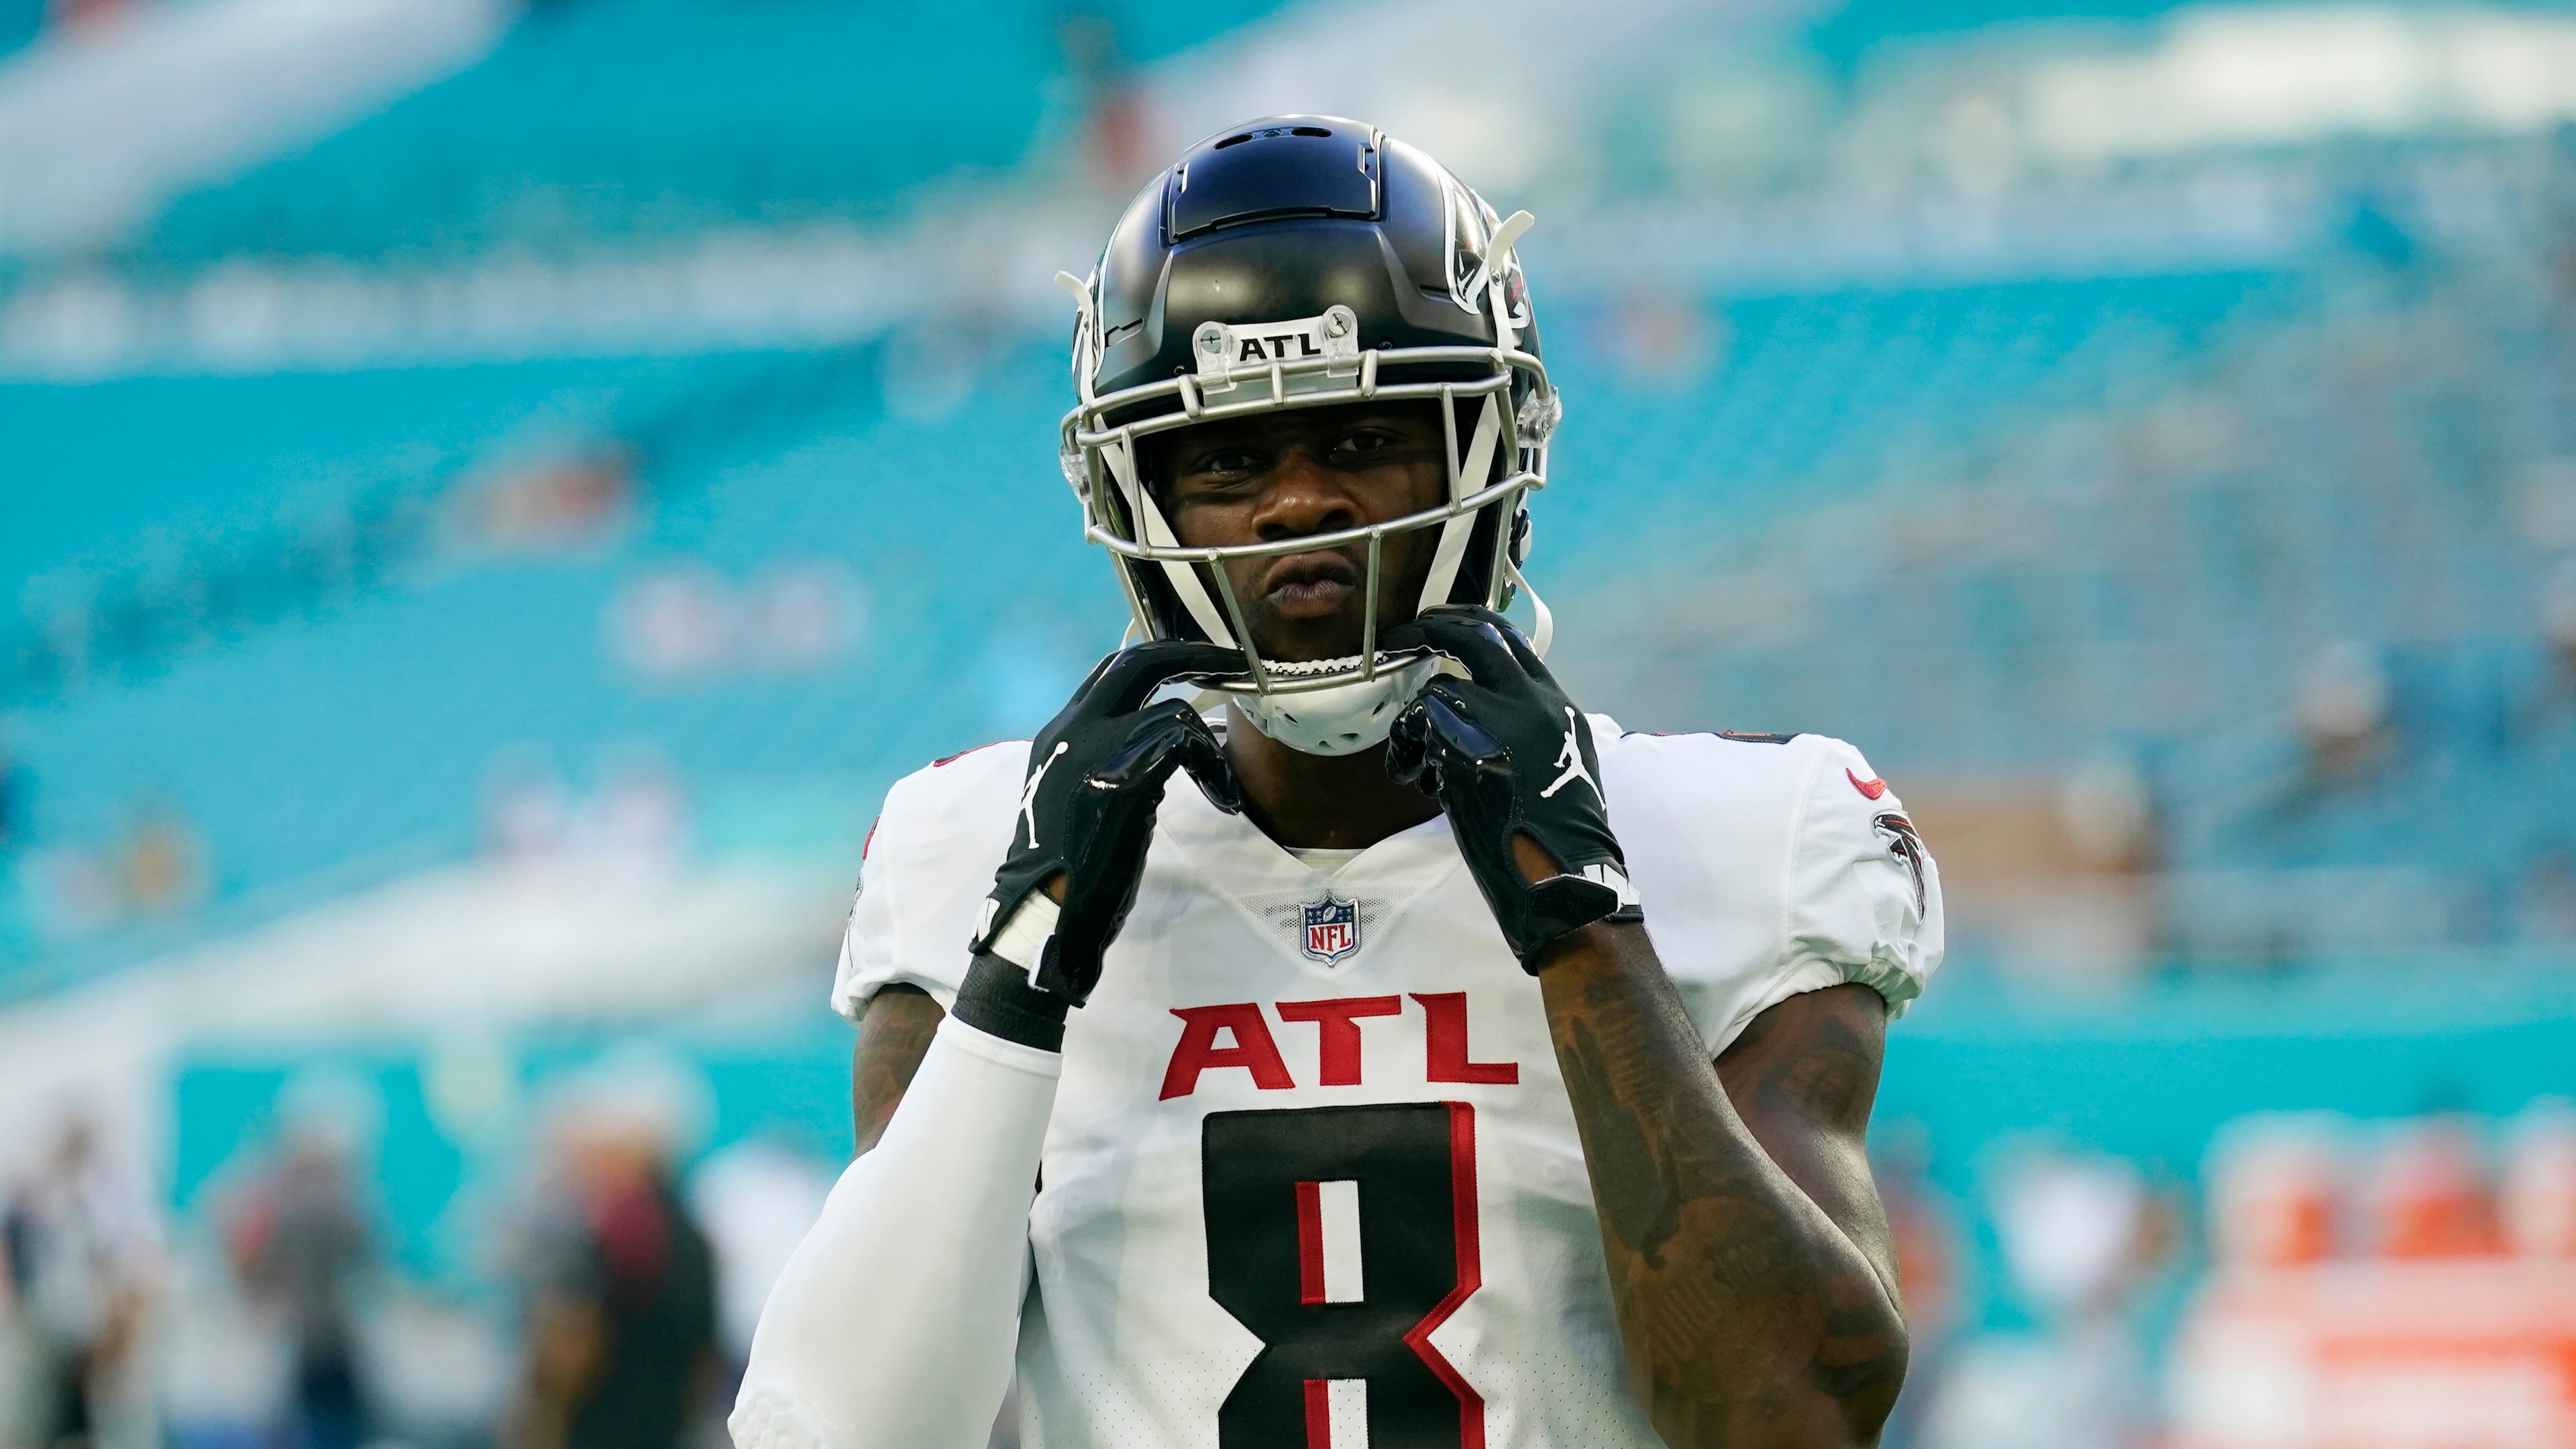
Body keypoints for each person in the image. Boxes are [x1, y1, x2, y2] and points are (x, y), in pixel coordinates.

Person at [736, 116, 1945, 1449]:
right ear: (1140, 497)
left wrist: (1586, 924)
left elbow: (1791, 1422)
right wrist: (1020, 973)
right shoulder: (969, 848)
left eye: (1364, 438)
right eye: (1229, 458)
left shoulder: (1739, 835)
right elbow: (841, 1431)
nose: (1297, 505)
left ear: (1491, 455)